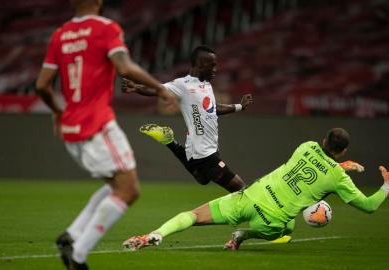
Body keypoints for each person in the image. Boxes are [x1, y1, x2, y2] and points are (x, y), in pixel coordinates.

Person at [35, 0, 175, 269]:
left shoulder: (60, 34)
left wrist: (56, 111)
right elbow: (124, 67)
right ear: (98, 1)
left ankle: (72, 235)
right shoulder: (106, 28)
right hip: (96, 124)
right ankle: (78, 255)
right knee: (129, 190)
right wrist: (159, 88)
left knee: (116, 186)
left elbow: (42, 85)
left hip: (71, 128)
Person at [122, 128, 388, 251]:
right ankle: (243, 235)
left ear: (323, 140)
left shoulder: (306, 146)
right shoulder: (338, 178)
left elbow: (316, 166)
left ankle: (154, 235)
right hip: (270, 220)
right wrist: (386, 185)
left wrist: (340, 165)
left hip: (249, 197)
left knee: (193, 215)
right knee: (288, 228)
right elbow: (369, 205)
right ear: (344, 150)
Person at [122, 45, 254, 192]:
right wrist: (136, 87)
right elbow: (157, 89)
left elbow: (213, 108)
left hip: (208, 148)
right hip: (203, 153)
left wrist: (239, 106)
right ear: (201, 64)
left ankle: (170, 142)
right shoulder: (183, 85)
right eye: (213, 65)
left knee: (202, 179)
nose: (216, 69)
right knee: (241, 189)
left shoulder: (206, 85)